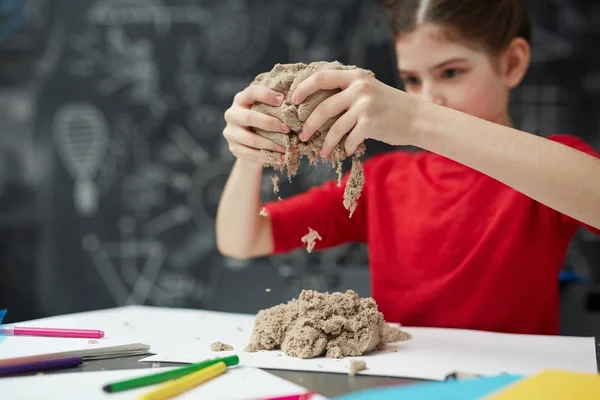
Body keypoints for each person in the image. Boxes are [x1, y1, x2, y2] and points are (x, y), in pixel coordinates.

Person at [216, 0, 600, 335]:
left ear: (512, 64)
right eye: (412, 80)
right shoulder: (382, 182)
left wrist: (418, 119)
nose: (430, 97)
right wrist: (251, 151)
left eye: (451, 72)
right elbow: (243, 239)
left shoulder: (552, 165)